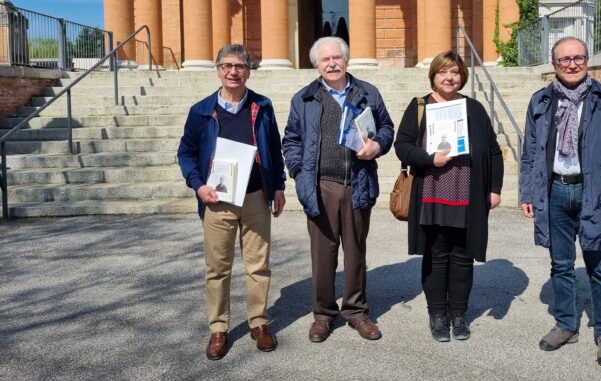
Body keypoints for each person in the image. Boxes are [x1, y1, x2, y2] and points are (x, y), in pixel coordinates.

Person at [519, 36, 601, 368]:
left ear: (587, 60)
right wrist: (527, 192)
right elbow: (530, 153)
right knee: (560, 264)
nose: (572, 64)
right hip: (554, 191)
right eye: (564, 59)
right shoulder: (540, 101)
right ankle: (566, 324)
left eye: (578, 58)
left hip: (594, 193)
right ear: (554, 65)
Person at [178, 44, 286, 360]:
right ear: (218, 69)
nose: (233, 72)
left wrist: (278, 186)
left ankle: (259, 322)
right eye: (227, 65)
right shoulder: (201, 111)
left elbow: (275, 149)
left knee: (258, 265)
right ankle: (219, 328)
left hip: (255, 196)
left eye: (239, 66)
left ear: (248, 71)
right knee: (218, 268)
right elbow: (185, 153)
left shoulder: (262, 106)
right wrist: (198, 186)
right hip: (217, 200)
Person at [282, 37, 394, 343]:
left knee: (356, 253)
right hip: (321, 185)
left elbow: (387, 128)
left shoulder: (367, 93)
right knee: (323, 255)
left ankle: (356, 312)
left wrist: (378, 145)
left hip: (357, 182)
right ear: (316, 65)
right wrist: (299, 172)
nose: (331, 63)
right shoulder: (303, 98)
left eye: (336, 58)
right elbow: (291, 139)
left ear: (346, 60)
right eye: (325, 60)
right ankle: (323, 315)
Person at [394, 51, 503, 342]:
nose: (449, 77)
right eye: (443, 72)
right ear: (434, 75)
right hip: (431, 191)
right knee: (436, 255)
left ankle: (459, 314)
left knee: (463, 256)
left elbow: (492, 149)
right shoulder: (420, 106)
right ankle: (437, 315)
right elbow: (402, 145)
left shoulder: (474, 108)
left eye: (454, 72)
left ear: (462, 76)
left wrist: (494, 188)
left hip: (467, 193)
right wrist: (429, 158)